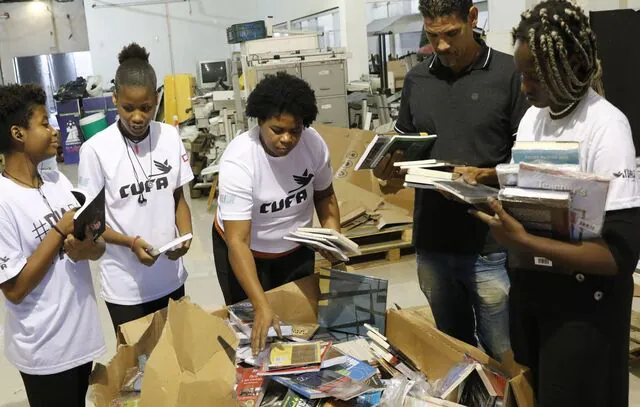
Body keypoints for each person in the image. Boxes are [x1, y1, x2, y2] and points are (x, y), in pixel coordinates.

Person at [471, 1, 640, 405]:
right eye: (522, 74)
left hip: (585, 311)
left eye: (535, 76)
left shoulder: (606, 128)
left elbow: (619, 256)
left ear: (572, 68)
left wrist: (522, 241)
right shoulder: (534, 119)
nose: (525, 87)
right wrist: (490, 185)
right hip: (534, 294)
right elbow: (527, 188)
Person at [374, 0, 528, 361]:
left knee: (503, 353)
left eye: (450, 34)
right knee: (454, 352)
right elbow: (406, 150)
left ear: (472, 17)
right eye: (432, 35)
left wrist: (486, 174)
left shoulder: (510, 74)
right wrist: (388, 173)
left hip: (489, 242)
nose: (441, 46)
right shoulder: (418, 79)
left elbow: (528, 161)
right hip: (432, 241)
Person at [214, 72, 340, 354]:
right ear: (260, 121)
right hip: (246, 252)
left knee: (297, 328)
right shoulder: (240, 160)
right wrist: (261, 305)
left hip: (295, 248)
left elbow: (325, 195)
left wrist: (333, 234)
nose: (286, 139)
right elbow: (237, 241)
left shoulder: (314, 146)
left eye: (294, 131)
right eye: (277, 130)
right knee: (253, 331)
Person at [0, 84, 106, 406]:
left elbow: (97, 245)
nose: (55, 130)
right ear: (18, 133)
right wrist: (60, 230)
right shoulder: (4, 200)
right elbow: (15, 290)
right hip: (44, 349)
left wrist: (88, 248)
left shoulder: (59, 183)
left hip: (80, 337)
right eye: (45, 123)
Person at [78, 43, 194, 334]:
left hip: (170, 277)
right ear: (115, 99)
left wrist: (185, 236)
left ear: (156, 100)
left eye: (146, 108)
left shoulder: (169, 136)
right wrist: (130, 243)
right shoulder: (96, 150)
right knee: (137, 368)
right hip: (125, 286)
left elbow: (178, 196)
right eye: (128, 108)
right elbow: (92, 224)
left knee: (176, 356)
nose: (138, 117)